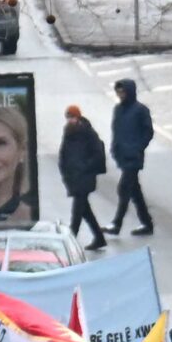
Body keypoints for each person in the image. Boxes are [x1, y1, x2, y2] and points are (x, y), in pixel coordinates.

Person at [108, 78, 155, 237]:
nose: (120, 94)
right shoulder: (118, 110)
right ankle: (147, 223)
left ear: (129, 91)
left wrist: (137, 147)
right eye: (118, 92)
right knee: (134, 191)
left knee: (124, 188)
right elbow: (116, 130)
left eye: (122, 91)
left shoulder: (141, 110)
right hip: (122, 156)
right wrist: (115, 148)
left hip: (134, 157)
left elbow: (148, 132)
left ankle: (116, 223)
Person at [59, 105, 109, 249]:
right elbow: (64, 154)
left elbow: (98, 153)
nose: (70, 120)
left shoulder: (88, 132)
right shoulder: (68, 133)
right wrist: (65, 171)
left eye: (72, 117)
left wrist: (84, 167)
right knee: (85, 210)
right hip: (73, 177)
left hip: (85, 177)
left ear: (78, 117)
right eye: (68, 117)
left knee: (77, 211)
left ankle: (70, 240)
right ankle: (99, 238)